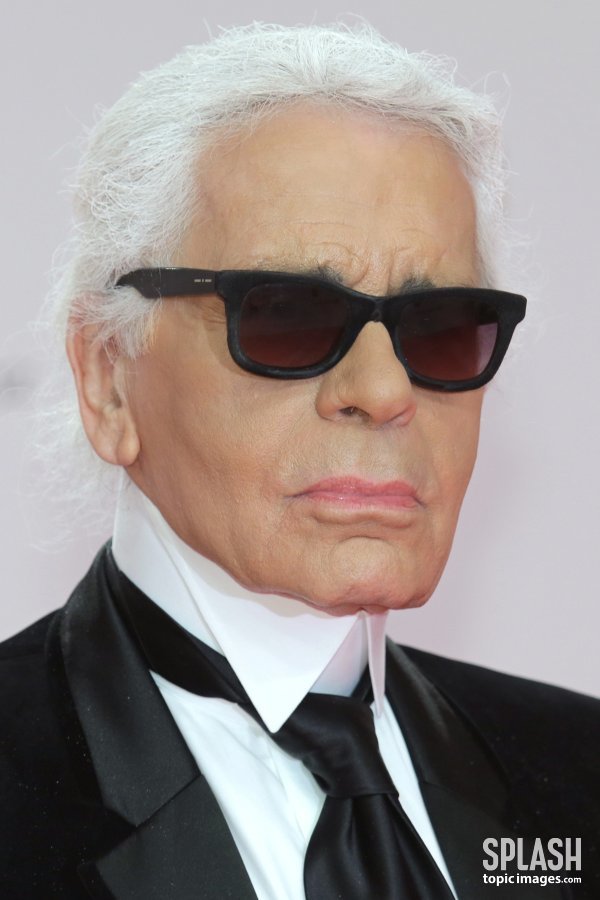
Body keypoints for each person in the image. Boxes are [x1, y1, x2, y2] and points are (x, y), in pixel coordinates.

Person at [0, 23, 597, 900]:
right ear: (108, 379)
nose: (384, 391)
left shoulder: (581, 769)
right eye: (288, 316)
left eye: (438, 327)